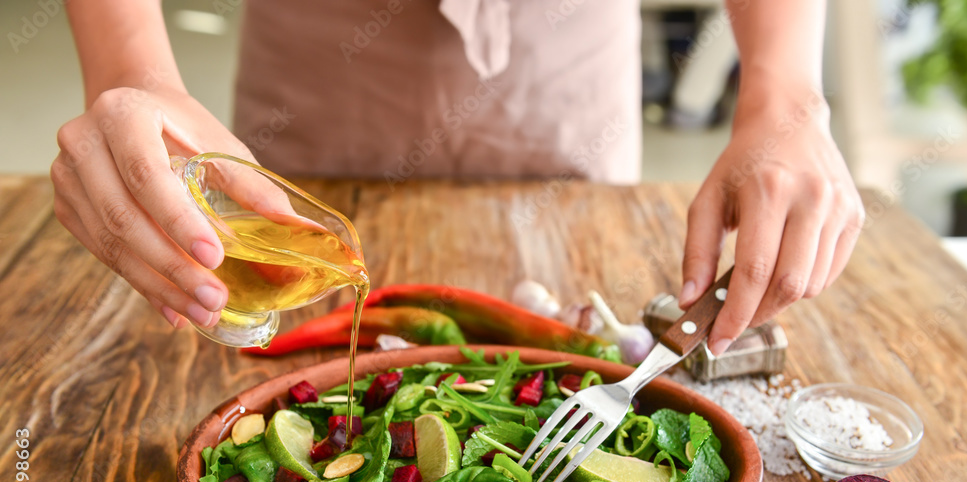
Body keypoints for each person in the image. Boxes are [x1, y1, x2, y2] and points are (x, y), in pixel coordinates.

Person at [51, 0, 864, 357]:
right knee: (264, 258)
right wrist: (131, 72)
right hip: (324, 46)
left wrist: (785, 88)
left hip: (558, 43)